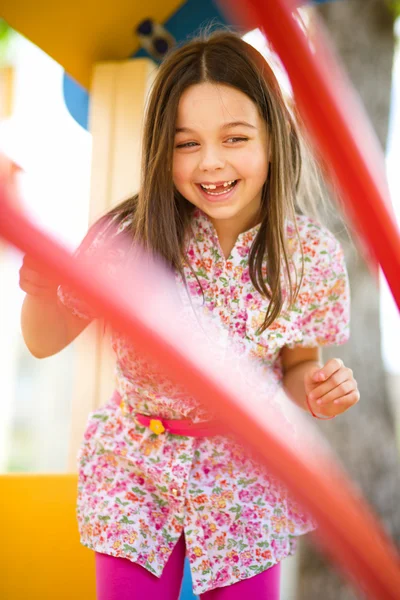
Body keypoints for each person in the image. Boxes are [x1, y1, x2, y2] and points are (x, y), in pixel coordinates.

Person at [19, 30, 360, 600]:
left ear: (273, 140)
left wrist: (316, 388)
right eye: (186, 144)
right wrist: (39, 290)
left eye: (235, 138)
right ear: (161, 149)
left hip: (246, 472)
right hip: (137, 466)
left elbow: (298, 364)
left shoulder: (309, 254)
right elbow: (44, 339)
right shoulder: (129, 239)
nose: (211, 162)